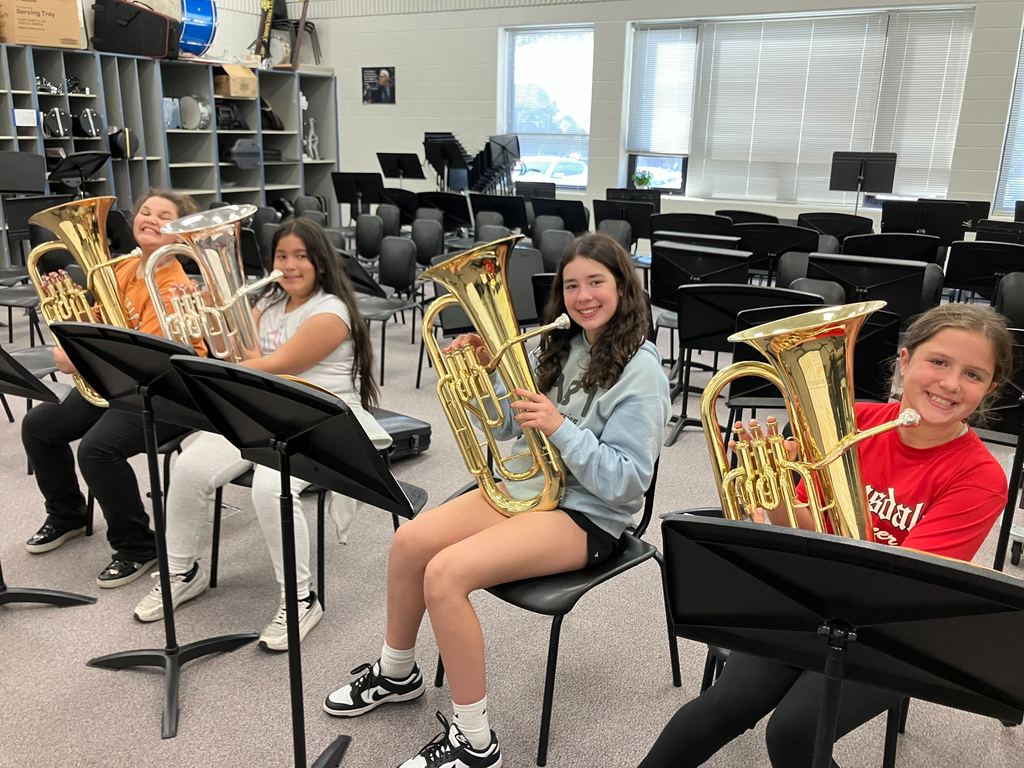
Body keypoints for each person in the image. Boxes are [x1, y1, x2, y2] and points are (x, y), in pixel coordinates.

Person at [322, 233, 670, 767]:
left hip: (588, 515)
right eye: (571, 285)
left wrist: (560, 428)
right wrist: (485, 376)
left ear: (623, 287)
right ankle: (398, 672)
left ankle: (475, 741)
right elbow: (512, 426)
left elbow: (627, 484)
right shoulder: (561, 343)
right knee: (411, 541)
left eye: (596, 283)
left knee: (445, 574)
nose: (583, 297)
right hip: (530, 489)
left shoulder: (642, 371)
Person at [640, 303, 1013, 768]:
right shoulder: (852, 421)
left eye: (973, 374)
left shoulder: (978, 476)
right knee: (723, 705)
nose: (951, 383)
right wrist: (768, 486)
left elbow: (906, 583)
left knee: (794, 732)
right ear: (905, 361)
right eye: (938, 362)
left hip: (892, 631)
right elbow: (799, 529)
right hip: (808, 600)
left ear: (989, 389)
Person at [132, 218, 391, 652]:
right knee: (190, 467)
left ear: (321, 264)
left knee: (271, 489)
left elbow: (275, 364)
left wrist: (208, 364)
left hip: (320, 416)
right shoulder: (267, 303)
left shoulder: (331, 312)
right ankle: (182, 571)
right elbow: (236, 350)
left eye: (300, 257)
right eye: (281, 256)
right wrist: (211, 311)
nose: (289, 266)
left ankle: (301, 598)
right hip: (259, 409)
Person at [21, 190, 206, 588]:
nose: (150, 218)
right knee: (39, 425)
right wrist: (65, 304)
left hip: (167, 393)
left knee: (98, 449)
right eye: (145, 211)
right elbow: (97, 327)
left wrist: (81, 358)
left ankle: (137, 546)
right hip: (115, 383)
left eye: (164, 215)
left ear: (181, 234)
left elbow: (149, 360)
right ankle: (67, 514)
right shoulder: (119, 269)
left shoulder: (175, 286)